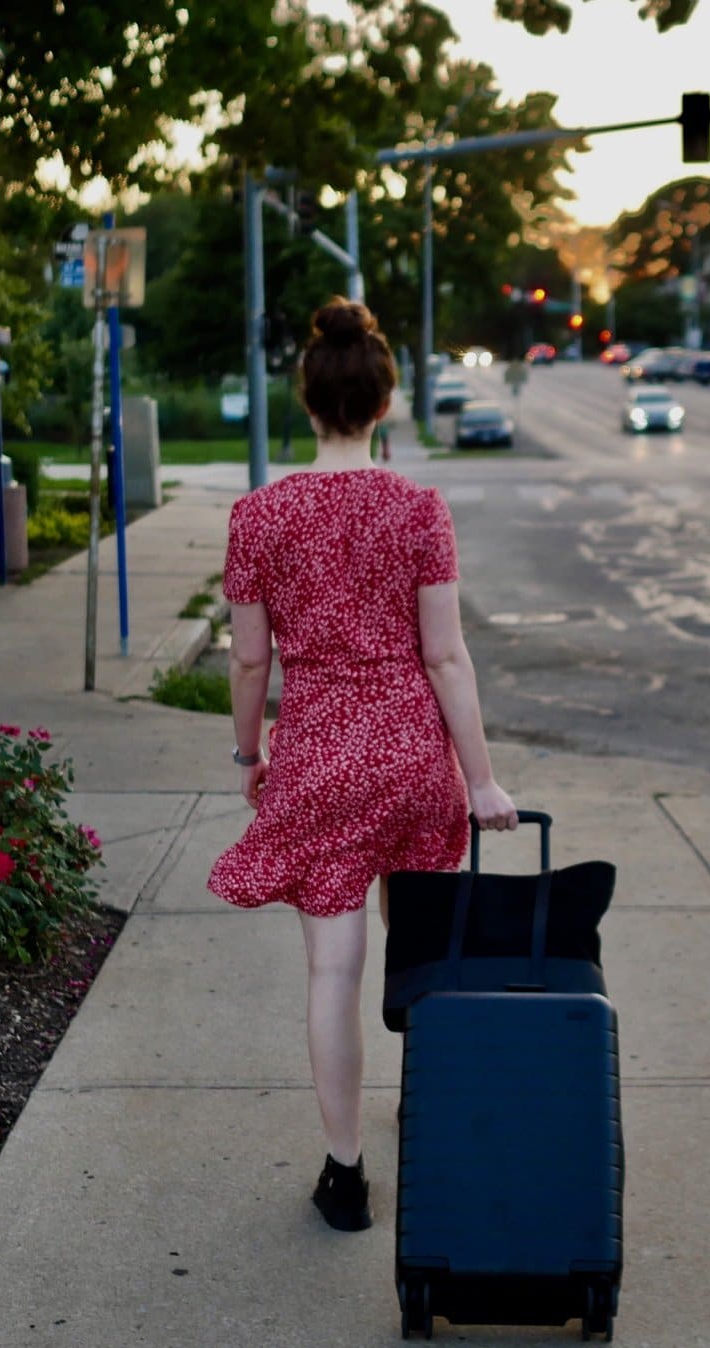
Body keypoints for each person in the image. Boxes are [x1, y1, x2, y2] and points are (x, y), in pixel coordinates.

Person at [207, 298, 519, 1233]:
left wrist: (250, 752)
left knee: (331, 972)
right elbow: (447, 657)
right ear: (385, 403)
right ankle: (420, 1102)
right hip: (413, 755)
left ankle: (345, 1175)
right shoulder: (419, 509)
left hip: (319, 760)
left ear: (306, 402)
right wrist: (485, 779)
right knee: (418, 943)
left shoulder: (260, 516)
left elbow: (251, 659)